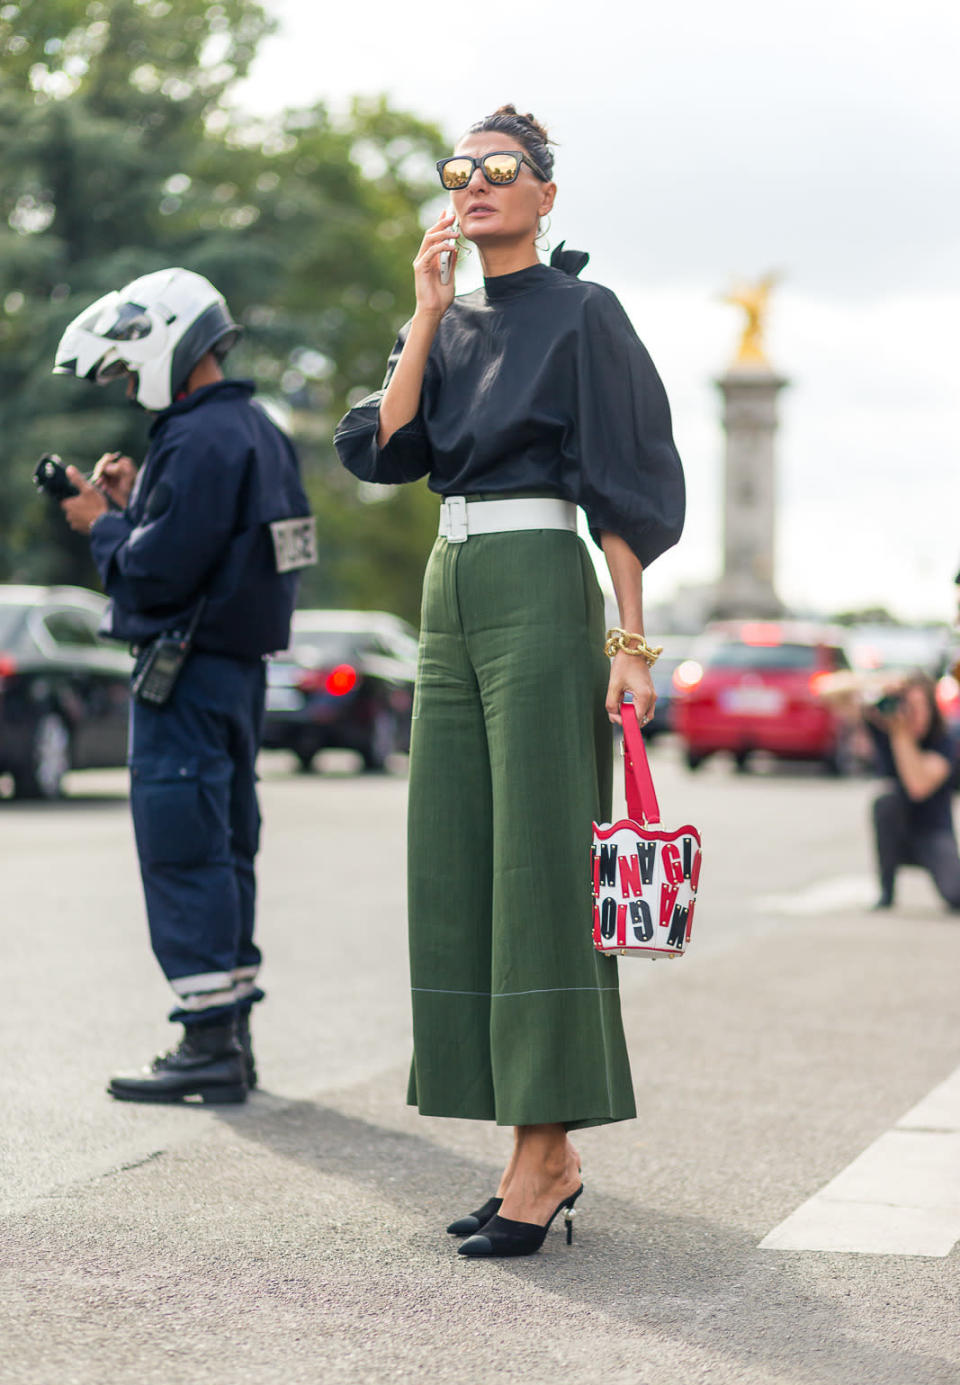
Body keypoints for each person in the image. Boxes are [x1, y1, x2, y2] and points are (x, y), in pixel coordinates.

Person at [334, 105, 685, 1257]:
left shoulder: (585, 315)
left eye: (504, 169)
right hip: (448, 583)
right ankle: (532, 1144)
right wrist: (426, 314)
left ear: (544, 195)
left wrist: (629, 649)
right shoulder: (447, 317)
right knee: (454, 860)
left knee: (539, 862)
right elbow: (388, 450)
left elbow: (623, 488)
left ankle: (543, 1155)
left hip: (542, 572)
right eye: (462, 170)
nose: (478, 183)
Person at [54, 267, 314, 1103]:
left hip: (186, 674)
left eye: (129, 370)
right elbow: (249, 549)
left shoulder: (198, 438)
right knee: (226, 846)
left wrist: (102, 524)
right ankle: (230, 1037)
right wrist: (139, 503)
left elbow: (158, 574)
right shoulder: (258, 430)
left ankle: (207, 1046)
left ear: (166, 341)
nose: (130, 390)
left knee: (183, 848)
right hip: (236, 674)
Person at [866, 673, 960, 911]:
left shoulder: (945, 739)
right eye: (909, 707)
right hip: (899, 835)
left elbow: (917, 786)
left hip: (933, 833)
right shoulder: (884, 727)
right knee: (885, 801)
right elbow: (833, 695)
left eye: (921, 707)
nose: (915, 715)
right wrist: (875, 685)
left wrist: (901, 735)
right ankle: (886, 891)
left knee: (955, 894)